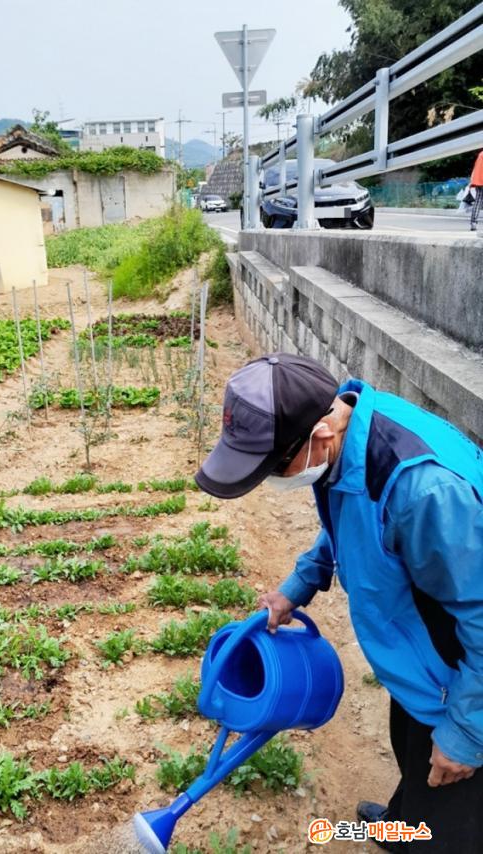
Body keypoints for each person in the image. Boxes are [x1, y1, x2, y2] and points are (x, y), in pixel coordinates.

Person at [195, 353, 483, 853]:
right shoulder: (349, 442)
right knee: (411, 744)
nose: (268, 479)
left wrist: (465, 734)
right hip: (420, 653)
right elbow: (354, 521)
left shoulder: (424, 492)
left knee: (450, 802)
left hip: (461, 663)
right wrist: (297, 586)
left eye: (272, 466)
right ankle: (404, 825)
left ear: (320, 435)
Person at [469, 149, 483, 232]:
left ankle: (473, 223)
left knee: (478, 201)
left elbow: (475, 168)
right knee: (478, 201)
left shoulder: (480, 154)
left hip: (479, 181)